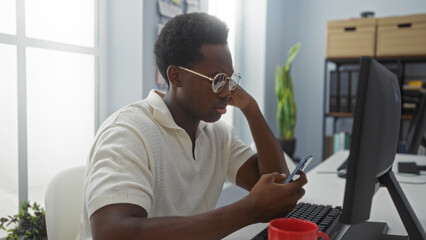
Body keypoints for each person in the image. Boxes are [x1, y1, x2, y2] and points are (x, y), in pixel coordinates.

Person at [77, 12, 307, 240]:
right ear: (176, 77)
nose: (227, 91)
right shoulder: (128, 133)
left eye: (229, 79)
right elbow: (111, 233)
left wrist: (252, 109)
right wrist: (247, 210)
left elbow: (275, 187)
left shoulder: (217, 134)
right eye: (217, 79)